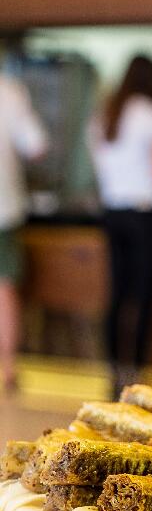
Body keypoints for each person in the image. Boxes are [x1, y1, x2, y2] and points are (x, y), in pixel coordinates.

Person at [90, 55, 152, 396]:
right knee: (144, 296)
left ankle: (113, 371)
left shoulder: (105, 115)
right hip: (145, 214)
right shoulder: (151, 114)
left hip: (113, 213)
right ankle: (135, 371)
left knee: (117, 295)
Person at [0, 74, 47, 392]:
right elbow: (36, 146)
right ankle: (8, 368)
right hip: (3, 207)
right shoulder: (9, 91)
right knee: (4, 288)